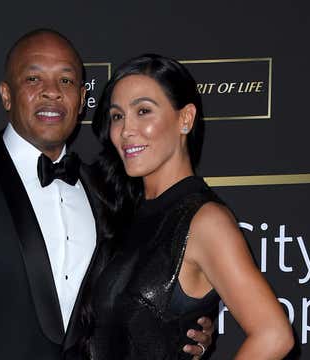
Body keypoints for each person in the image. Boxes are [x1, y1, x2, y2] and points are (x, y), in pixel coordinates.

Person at [0, 30, 213, 360]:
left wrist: (183, 326)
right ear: (6, 94)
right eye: (33, 78)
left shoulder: (106, 193)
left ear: (82, 97)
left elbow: (140, 295)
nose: (52, 93)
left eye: (66, 81)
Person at [85, 54, 294, 359]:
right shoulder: (129, 213)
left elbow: (274, 335)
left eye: (144, 111)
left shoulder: (205, 220)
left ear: (185, 119)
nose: (126, 129)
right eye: (117, 116)